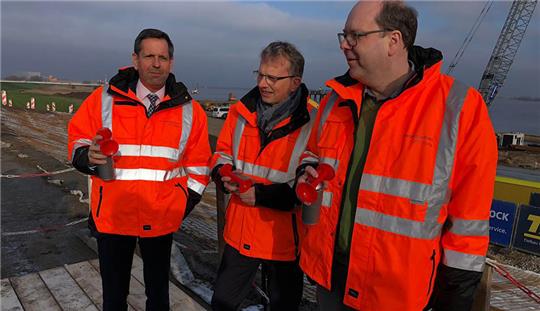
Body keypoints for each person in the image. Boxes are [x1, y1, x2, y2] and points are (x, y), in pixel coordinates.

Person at [296, 1, 498, 310]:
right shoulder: (335, 99)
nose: (344, 46)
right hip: (330, 279)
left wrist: (453, 301)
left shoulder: (459, 108)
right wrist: (307, 169)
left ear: (394, 40)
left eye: (355, 36)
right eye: (343, 36)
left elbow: (469, 225)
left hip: (397, 297)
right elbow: (311, 153)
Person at [68, 28, 211, 311]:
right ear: (135, 59)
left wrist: (180, 206)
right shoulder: (103, 98)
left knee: (158, 297)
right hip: (113, 215)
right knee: (114, 297)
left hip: (161, 218)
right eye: (149, 56)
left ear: (171, 62)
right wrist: (88, 156)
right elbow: (77, 142)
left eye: (162, 57)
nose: (156, 64)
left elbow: (199, 167)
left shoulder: (191, 111)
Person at [210, 41, 318, 310]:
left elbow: (309, 184)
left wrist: (258, 195)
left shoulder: (313, 122)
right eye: (260, 75)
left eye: (273, 77)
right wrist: (222, 172)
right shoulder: (240, 112)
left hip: (284, 240)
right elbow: (221, 152)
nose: (263, 83)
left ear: (295, 82)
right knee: (222, 303)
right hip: (239, 232)